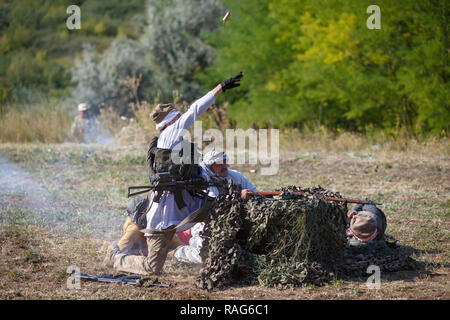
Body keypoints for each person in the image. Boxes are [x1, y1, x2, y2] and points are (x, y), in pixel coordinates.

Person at [105, 72, 243, 275]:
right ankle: (116, 258)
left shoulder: (176, 143)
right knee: (152, 268)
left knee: (219, 211)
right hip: (164, 213)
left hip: (187, 205)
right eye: (178, 118)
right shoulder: (169, 135)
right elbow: (195, 110)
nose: (182, 120)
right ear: (171, 121)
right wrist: (220, 88)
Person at [173, 150, 257, 264]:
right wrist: (238, 195)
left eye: (224, 162)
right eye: (218, 164)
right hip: (203, 222)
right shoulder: (202, 181)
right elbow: (214, 204)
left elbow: (254, 191)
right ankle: (177, 252)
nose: (223, 166)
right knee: (204, 255)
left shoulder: (234, 176)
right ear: (210, 167)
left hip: (232, 221)